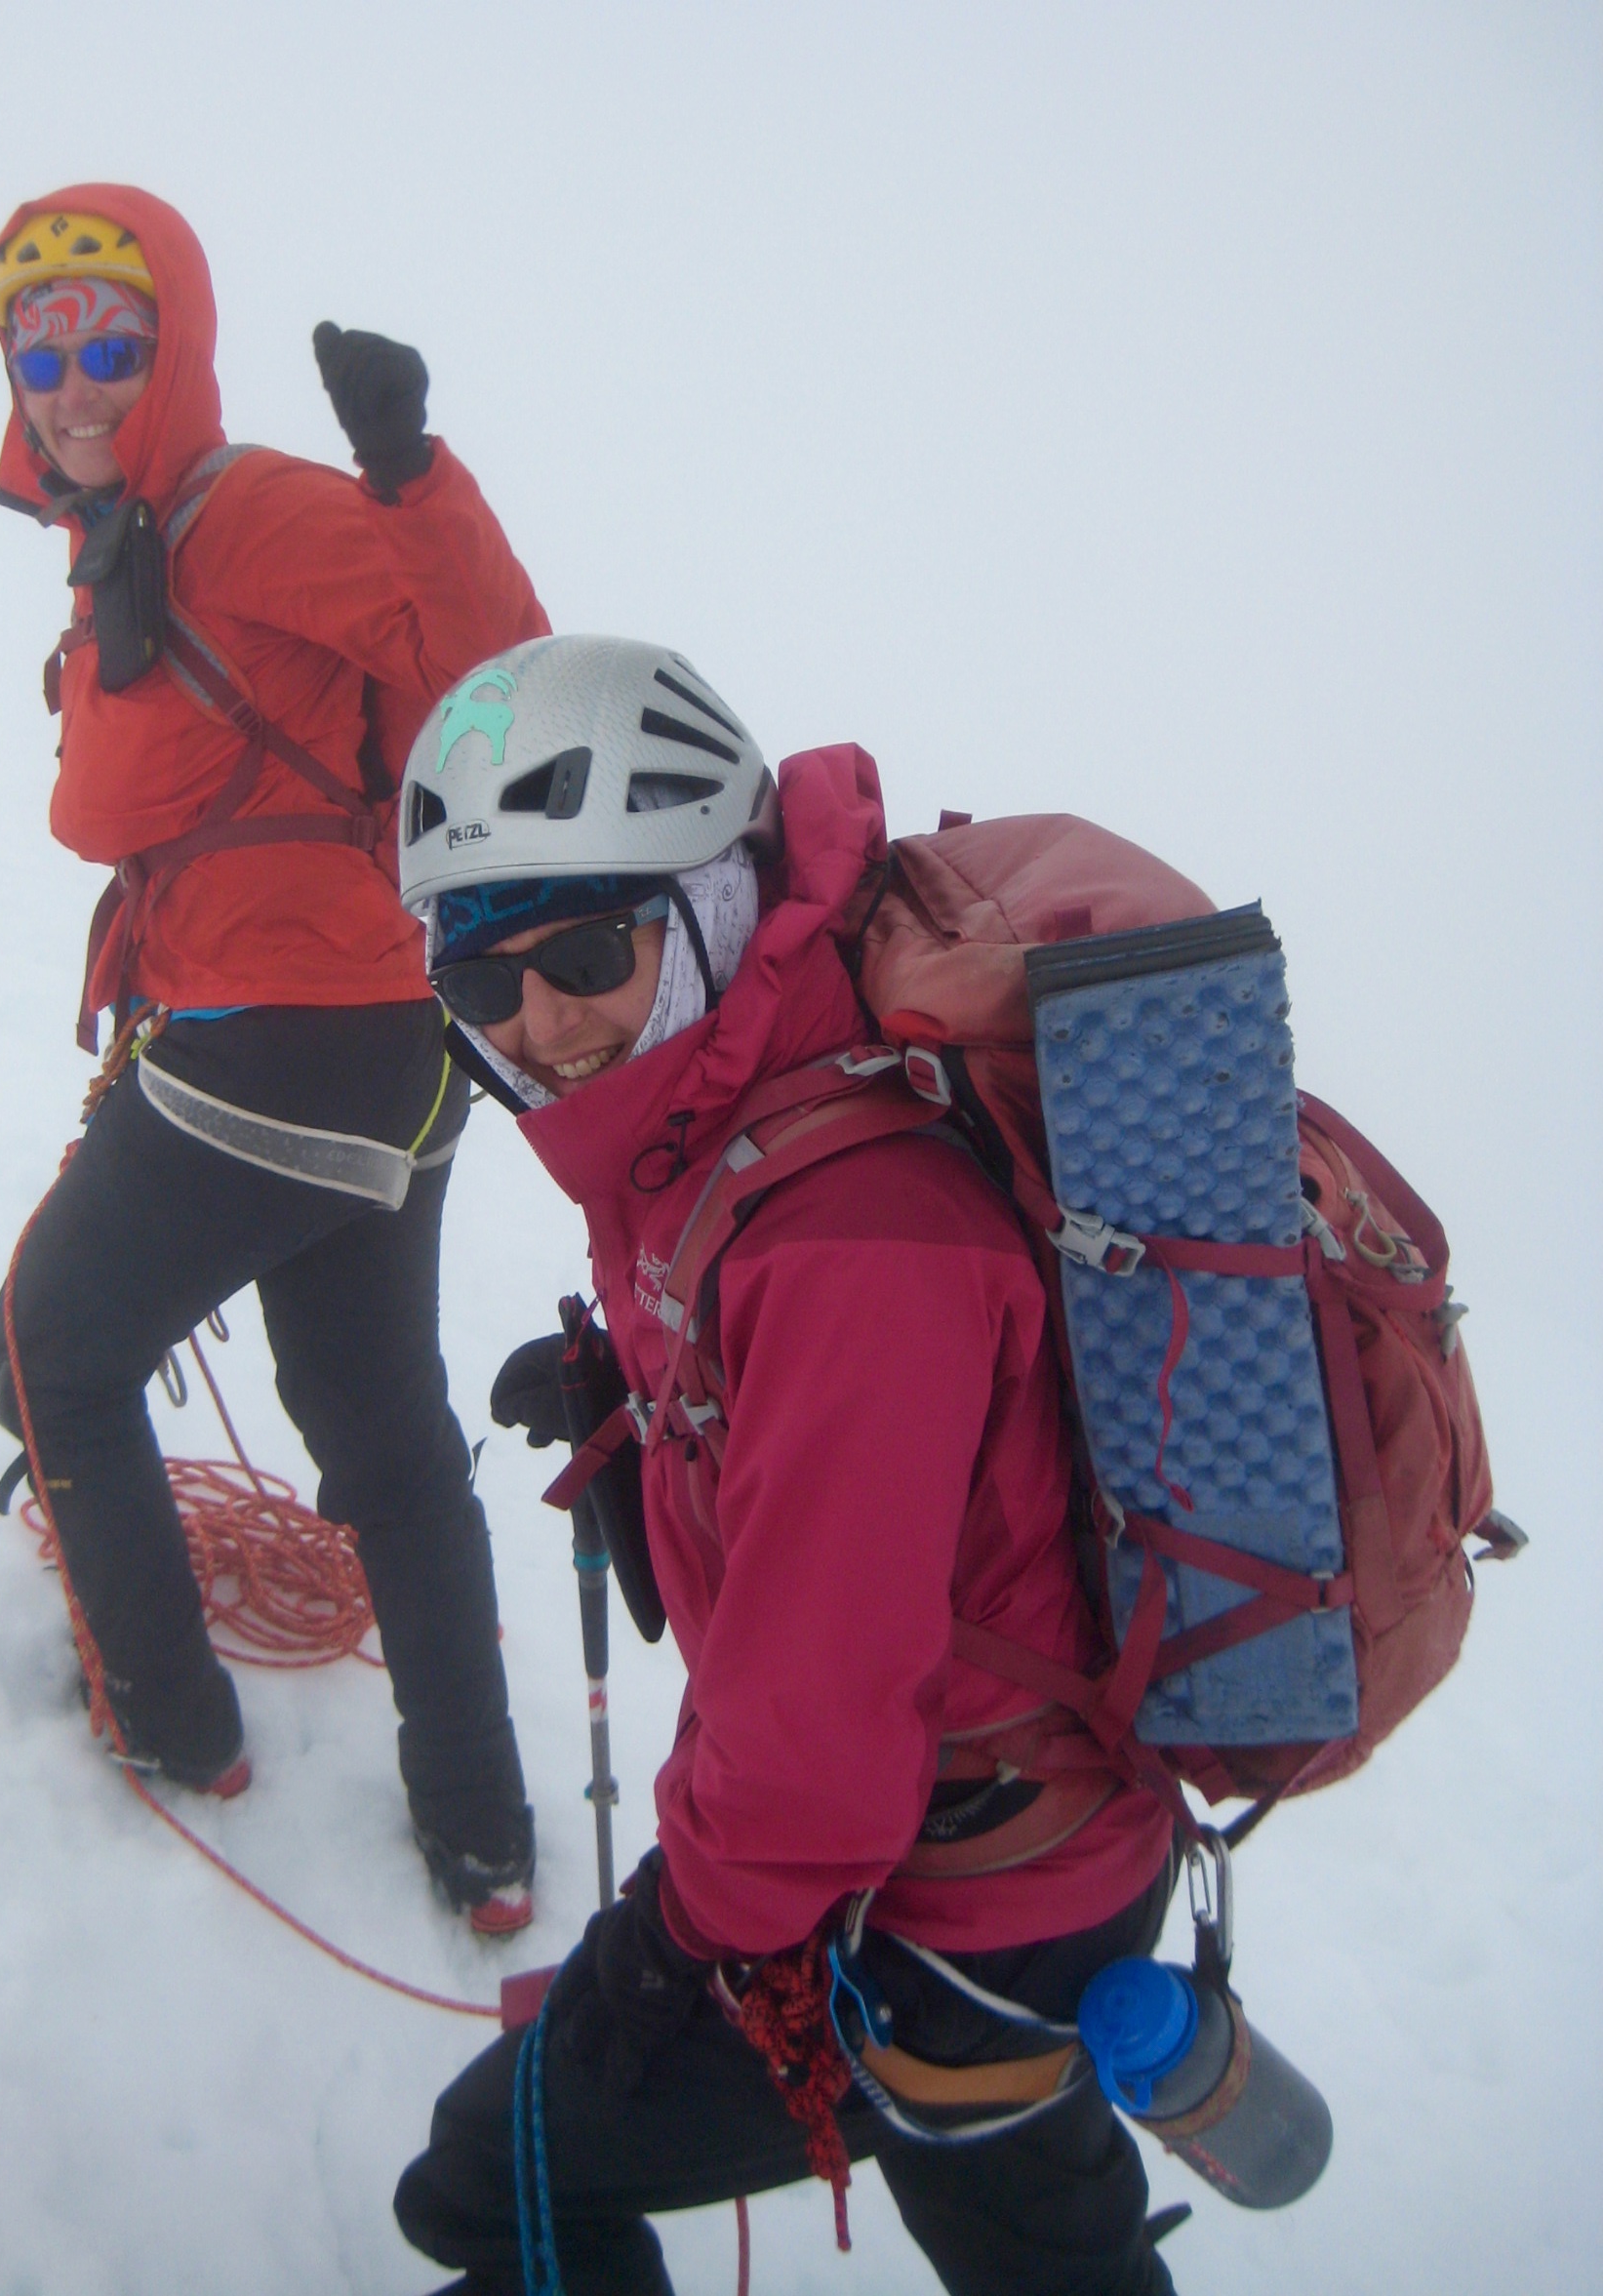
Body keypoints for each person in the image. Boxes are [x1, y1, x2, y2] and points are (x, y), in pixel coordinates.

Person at [388, 635, 1184, 2289]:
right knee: (1041, 2238)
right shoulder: (740, 1087)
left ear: (712, 905)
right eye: (484, 983)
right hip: (1039, 1849)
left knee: (493, 2179)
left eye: (590, 948)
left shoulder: (848, 1240)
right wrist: (637, 1382)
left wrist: (667, 1947)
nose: (542, 1023)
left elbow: (810, 1760)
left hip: (950, 1900)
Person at [0, 183, 546, 1932]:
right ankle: (483, 1831)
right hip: (380, 1044)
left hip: (281, 1045)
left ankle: (170, 1722)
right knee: (380, 1432)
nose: (75, 380)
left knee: (50, 1350)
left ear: (180, 346)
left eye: (113, 340)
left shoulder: (251, 511)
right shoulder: (130, 540)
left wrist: (411, 478)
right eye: (41, 346)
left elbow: (494, 680)